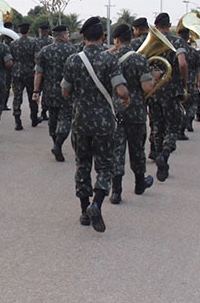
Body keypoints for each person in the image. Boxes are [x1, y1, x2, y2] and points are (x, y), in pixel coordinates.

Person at [61, 17, 129, 232]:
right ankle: (97, 204)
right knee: (105, 165)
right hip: (104, 123)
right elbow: (121, 91)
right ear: (103, 37)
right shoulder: (110, 60)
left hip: (80, 121)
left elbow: (65, 91)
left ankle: (83, 212)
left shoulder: (73, 60)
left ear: (83, 37)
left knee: (82, 164)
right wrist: (125, 99)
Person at [108, 23, 158, 203]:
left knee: (117, 150)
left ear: (116, 40)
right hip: (136, 112)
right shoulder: (139, 59)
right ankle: (139, 184)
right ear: (131, 37)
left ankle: (116, 192)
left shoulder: (110, 58)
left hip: (115, 111)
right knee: (137, 149)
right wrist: (154, 78)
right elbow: (147, 87)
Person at [147, 13, 189, 182]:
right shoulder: (178, 41)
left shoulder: (151, 41)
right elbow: (182, 63)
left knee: (157, 126)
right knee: (172, 127)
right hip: (171, 91)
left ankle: (157, 154)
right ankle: (164, 154)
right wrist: (184, 84)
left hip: (154, 90)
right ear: (169, 25)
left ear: (156, 26)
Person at [33, 24, 76, 161]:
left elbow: (38, 73)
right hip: (67, 91)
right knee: (65, 119)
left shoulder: (44, 51)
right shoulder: (72, 51)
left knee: (53, 119)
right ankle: (58, 144)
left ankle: (55, 143)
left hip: (49, 91)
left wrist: (36, 91)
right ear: (64, 35)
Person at [9, 22, 40, 129]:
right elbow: (36, 59)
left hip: (17, 73)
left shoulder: (13, 44)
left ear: (18, 31)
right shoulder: (33, 43)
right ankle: (34, 118)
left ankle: (17, 121)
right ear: (28, 31)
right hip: (30, 73)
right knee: (33, 95)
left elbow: (10, 59)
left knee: (17, 97)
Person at [177, 27, 200, 138]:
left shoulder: (174, 50)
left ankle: (179, 129)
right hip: (190, 82)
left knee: (178, 106)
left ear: (178, 36)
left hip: (176, 82)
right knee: (191, 105)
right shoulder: (193, 51)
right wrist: (197, 82)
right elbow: (199, 69)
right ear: (188, 38)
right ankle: (189, 122)